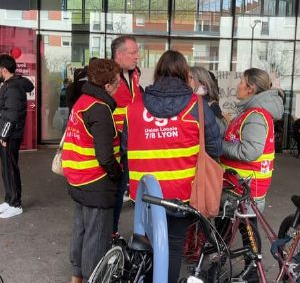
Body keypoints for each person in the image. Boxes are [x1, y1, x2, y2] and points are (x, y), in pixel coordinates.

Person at [124, 50, 222, 283]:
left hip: (145, 194)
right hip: (181, 195)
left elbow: (125, 147)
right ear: (184, 74)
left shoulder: (135, 106)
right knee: (173, 245)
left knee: (148, 243)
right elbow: (215, 147)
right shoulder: (195, 106)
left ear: (157, 72)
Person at [61, 59, 123, 283]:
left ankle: (77, 275)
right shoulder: (101, 109)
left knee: (81, 229)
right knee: (96, 236)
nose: (119, 87)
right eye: (117, 83)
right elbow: (105, 156)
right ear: (107, 86)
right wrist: (116, 174)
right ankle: (92, 277)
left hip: (77, 176)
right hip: (96, 180)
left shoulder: (83, 101)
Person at [220, 68, 284, 281]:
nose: (238, 85)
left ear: (251, 88)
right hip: (240, 186)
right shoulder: (253, 113)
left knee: (247, 231)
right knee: (238, 229)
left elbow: (250, 151)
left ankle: (254, 272)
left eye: (241, 81)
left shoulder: (256, 116)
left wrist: (220, 146)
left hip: (246, 187)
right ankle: (244, 267)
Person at [111, 35, 143, 236]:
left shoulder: (135, 74)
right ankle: (110, 233)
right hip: (112, 144)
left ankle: (113, 232)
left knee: (126, 188)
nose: (137, 57)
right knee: (113, 193)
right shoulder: (107, 76)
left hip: (132, 143)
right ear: (119, 55)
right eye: (133, 53)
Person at [0, 54, 34, 219]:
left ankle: (15, 204)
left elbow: (12, 116)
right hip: (8, 134)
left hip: (10, 135)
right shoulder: (8, 85)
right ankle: (9, 199)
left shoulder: (12, 88)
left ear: (4, 70)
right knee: (6, 168)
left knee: (11, 169)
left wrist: (4, 136)